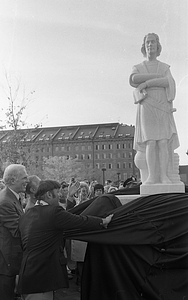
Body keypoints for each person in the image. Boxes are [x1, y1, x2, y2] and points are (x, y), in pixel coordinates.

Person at [17, 180, 113, 300]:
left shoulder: (26, 215)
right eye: (57, 193)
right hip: (42, 277)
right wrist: (102, 221)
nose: (59, 196)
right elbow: (79, 221)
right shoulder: (53, 212)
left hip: (27, 274)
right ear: (48, 195)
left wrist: (70, 198)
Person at [129, 33, 179, 185]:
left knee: (163, 141)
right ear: (144, 46)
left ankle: (163, 176)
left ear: (158, 46)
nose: (150, 45)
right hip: (147, 105)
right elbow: (133, 79)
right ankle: (152, 177)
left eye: (153, 42)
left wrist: (146, 84)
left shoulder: (165, 67)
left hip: (162, 105)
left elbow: (168, 82)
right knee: (150, 141)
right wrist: (156, 78)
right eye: (148, 42)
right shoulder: (138, 67)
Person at [0, 164, 28, 300]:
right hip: (5, 263)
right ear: (12, 180)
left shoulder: (13, 197)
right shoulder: (5, 201)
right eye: (24, 177)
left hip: (10, 260)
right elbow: (18, 230)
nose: (27, 181)